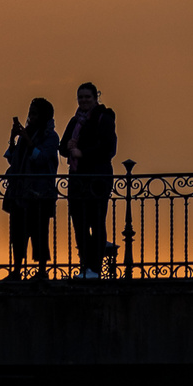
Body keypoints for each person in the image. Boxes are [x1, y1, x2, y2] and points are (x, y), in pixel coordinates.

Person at [61, 82, 117, 279]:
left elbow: (108, 148)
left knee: (96, 222)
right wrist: (68, 146)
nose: (84, 100)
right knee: (80, 224)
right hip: (78, 180)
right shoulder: (75, 121)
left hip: (97, 179)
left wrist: (82, 152)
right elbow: (62, 148)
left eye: (87, 97)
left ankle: (95, 267)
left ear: (96, 98)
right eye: (81, 97)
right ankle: (86, 266)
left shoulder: (104, 118)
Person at [2, 97, 60, 281]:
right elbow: (13, 159)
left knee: (40, 232)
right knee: (18, 232)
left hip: (40, 193)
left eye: (35, 114)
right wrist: (13, 139)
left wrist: (28, 141)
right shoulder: (27, 133)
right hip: (20, 192)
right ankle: (17, 270)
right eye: (30, 113)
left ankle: (42, 271)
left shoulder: (50, 136)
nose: (31, 117)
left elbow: (41, 159)